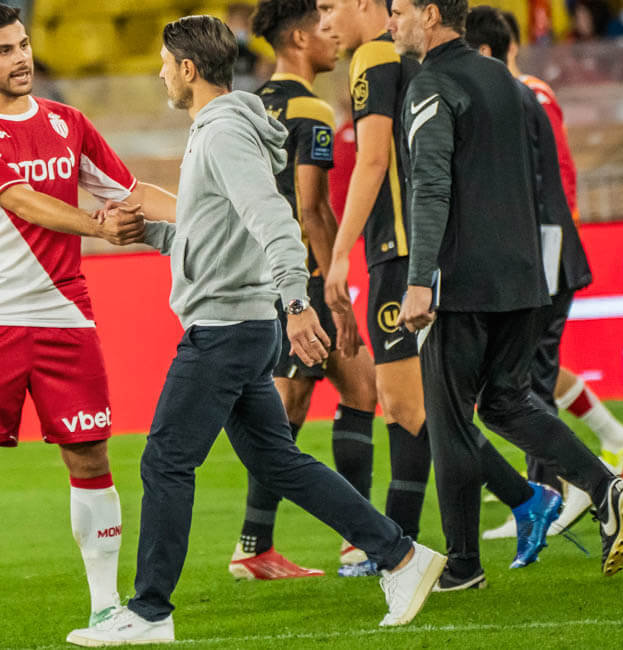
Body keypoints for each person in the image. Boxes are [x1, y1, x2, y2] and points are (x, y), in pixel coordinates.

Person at [66, 16, 445, 646]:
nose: (160, 72)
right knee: (280, 462)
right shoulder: (225, 130)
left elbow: (273, 218)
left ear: (188, 69)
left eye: (165, 62)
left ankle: (150, 612)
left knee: (165, 461)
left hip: (224, 329)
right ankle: (400, 556)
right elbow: (221, 233)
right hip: (242, 323)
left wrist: (297, 303)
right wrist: (152, 233)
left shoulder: (221, 134)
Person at [0, 5, 177, 648]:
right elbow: (18, 200)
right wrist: (97, 226)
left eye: (24, 45)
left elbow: (129, 191)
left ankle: (107, 607)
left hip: (64, 315)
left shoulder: (68, 123)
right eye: (3, 50)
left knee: (89, 456)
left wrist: (218, 211)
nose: (21, 58)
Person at [388, 0, 623, 587]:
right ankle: (603, 485)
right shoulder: (508, 82)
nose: (390, 22)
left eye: (398, 11)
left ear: (430, 14)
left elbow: (431, 186)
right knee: (506, 402)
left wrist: (420, 279)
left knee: (450, 421)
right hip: (525, 273)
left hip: (462, 280)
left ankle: (463, 564)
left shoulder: (430, 84)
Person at [225, 0, 382, 582]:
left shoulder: (248, 105)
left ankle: (349, 540)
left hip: (256, 267)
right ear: (297, 38)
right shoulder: (311, 109)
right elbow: (312, 207)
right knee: (287, 405)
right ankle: (257, 545)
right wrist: (334, 281)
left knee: (359, 386)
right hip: (299, 274)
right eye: (321, 26)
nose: (332, 35)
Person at [476, 8, 623, 541]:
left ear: (484, 52)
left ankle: (552, 493)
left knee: (529, 378)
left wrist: (551, 246)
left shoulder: (530, 95)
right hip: (532, 254)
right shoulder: (512, 97)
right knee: (525, 372)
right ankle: (591, 457)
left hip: (545, 254)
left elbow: (558, 175)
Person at [314, 0, 434, 575]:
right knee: (409, 402)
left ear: (364, 4)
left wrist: (340, 255)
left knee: (405, 403)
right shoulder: (403, 57)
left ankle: (524, 498)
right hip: (415, 245)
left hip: (399, 247)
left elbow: (373, 160)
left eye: (328, 8)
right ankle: (398, 546)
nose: (323, 24)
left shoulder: (373, 57)